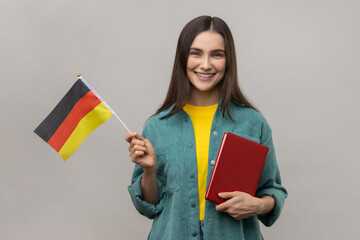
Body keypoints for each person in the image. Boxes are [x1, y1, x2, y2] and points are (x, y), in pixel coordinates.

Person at [125, 15, 287, 240]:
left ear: (228, 60)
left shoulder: (253, 123)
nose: (206, 64)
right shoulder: (157, 126)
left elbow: (273, 190)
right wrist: (149, 171)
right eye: (196, 53)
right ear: (183, 58)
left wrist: (258, 205)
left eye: (217, 55)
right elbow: (148, 206)